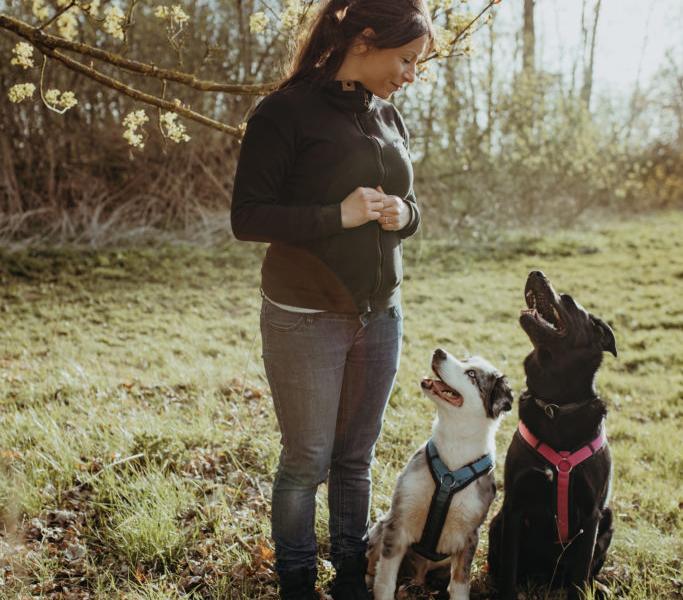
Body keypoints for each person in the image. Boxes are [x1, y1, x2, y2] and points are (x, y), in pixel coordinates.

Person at [231, 1, 433, 598]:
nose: (411, 74)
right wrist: (336, 215)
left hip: (381, 315)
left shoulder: (389, 115)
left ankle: (350, 576)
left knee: (355, 458)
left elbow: (410, 205)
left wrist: (406, 214)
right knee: (307, 460)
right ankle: (296, 580)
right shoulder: (284, 111)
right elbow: (247, 216)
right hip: (304, 316)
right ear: (366, 41)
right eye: (406, 59)